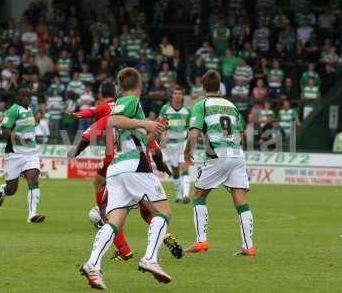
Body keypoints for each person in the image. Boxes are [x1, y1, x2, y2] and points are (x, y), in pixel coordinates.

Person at [80, 68, 172, 289]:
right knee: (164, 212)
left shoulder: (125, 103)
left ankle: (93, 264)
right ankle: (150, 258)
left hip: (118, 168)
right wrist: (146, 123)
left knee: (115, 221)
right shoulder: (131, 100)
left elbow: (138, 139)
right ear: (139, 85)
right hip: (134, 166)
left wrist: (155, 130)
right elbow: (113, 121)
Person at [184, 70, 256, 256]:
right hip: (237, 154)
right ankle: (249, 246)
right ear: (219, 86)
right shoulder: (231, 106)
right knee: (241, 201)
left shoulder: (202, 105)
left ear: (203, 86)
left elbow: (193, 133)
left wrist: (187, 152)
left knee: (199, 195)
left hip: (218, 153)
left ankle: (201, 241)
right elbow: (240, 134)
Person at [0, 87, 45, 223]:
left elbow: (31, 124)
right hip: (14, 154)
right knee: (12, 189)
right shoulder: (12, 110)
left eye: (28, 96)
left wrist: (37, 120)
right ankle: (3, 191)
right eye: (24, 96)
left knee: (33, 180)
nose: (27, 98)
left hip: (31, 153)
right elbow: (5, 130)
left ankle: (32, 214)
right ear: (17, 96)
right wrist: (20, 138)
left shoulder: (29, 109)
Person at [159, 86, 191, 203]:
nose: (177, 96)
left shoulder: (187, 110)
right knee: (175, 170)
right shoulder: (165, 109)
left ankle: (186, 195)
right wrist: (163, 134)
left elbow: (189, 128)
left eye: (179, 93)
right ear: (172, 95)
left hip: (183, 142)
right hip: (170, 144)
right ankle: (178, 196)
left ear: (182, 96)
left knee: (184, 167)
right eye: (175, 93)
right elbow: (161, 124)